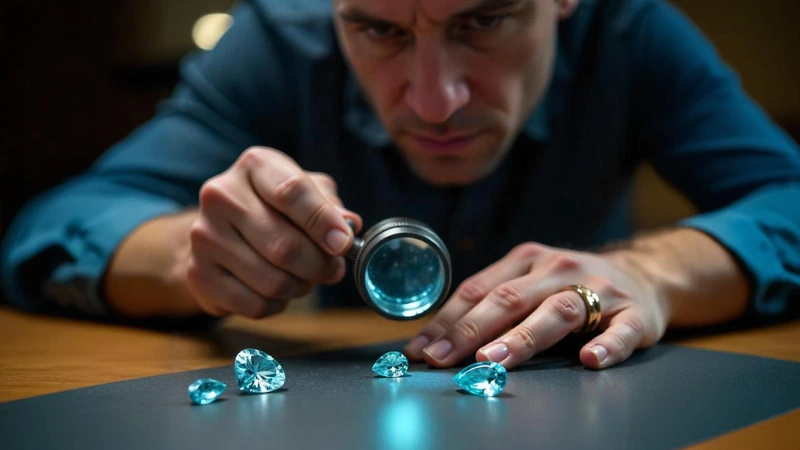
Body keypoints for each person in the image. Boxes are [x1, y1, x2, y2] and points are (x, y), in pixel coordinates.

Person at [2, 0, 799, 371]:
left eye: (483, 21)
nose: (431, 103)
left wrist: (655, 275)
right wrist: (189, 256)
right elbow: (57, 226)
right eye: (378, 29)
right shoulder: (279, 41)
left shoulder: (634, 33)